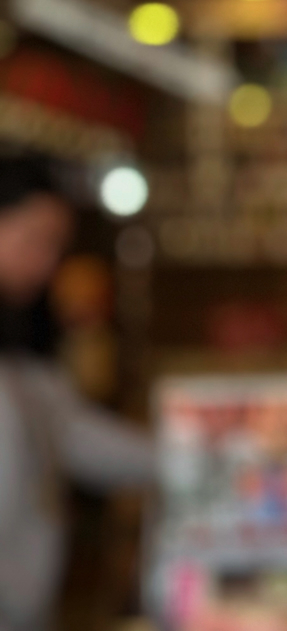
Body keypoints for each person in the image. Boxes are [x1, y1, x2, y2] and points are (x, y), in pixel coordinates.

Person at [0, 155, 154, 631]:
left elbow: (74, 433)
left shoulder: (23, 338)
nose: (46, 263)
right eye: (35, 240)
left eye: (55, 248)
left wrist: (190, 456)